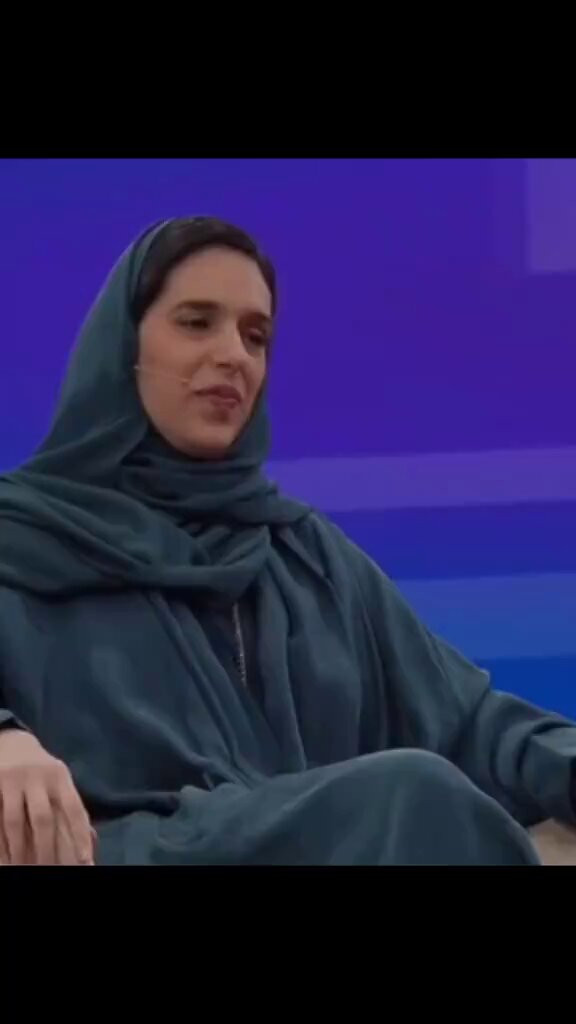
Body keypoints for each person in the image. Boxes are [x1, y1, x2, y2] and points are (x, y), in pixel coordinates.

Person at [0, 217, 574, 867]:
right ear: (124, 345)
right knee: (411, 796)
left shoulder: (303, 554)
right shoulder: (23, 532)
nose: (234, 356)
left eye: (256, 336)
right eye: (197, 322)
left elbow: (471, 722)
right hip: (124, 852)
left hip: (304, 843)